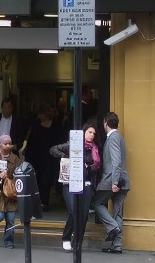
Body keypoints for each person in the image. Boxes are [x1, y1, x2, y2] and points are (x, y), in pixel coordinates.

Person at [49, 123, 101, 252]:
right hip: (70, 183)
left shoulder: (94, 149)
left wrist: (90, 167)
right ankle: (66, 237)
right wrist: (67, 158)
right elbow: (53, 149)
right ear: (83, 132)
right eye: (89, 132)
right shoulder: (73, 145)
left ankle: (77, 241)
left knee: (83, 215)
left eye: (94, 133)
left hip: (87, 184)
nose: (91, 135)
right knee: (73, 211)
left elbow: (96, 168)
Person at [96, 111, 129, 254]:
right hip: (123, 181)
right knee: (117, 213)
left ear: (105, 122)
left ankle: (113, 228)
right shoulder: (119, 137)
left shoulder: (113, 137)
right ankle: (117, 245)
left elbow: (116, 161)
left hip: (112, 180)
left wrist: (114, 182)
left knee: (96, 203)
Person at [23, 104, 67, 212]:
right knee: (36, 179)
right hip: (36, 157)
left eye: (41, 114)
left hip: (51, 158)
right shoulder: (36, 125)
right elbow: (31, 142)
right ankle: (37, 201)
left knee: (46, 180)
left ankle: (44, 202)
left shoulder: (57, 126)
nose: (39, 116)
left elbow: (61, 141)